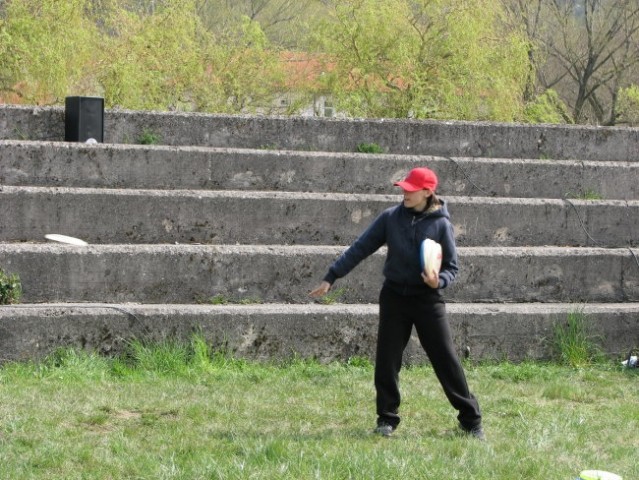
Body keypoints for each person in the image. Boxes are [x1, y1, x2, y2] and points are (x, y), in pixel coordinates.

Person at [309, 167, 484, 440]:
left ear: (427, 192)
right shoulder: (390, 218)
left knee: (446, 361)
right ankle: (386, 418)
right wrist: (332, 276)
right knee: (387, 360)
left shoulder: (441, 225)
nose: (405, 192)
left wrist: (437, 282)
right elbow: (361, 247)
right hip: (394, 298)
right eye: (403, 188)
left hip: (427, 300)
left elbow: (451, 267)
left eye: (411, 189)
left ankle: (471, 421)